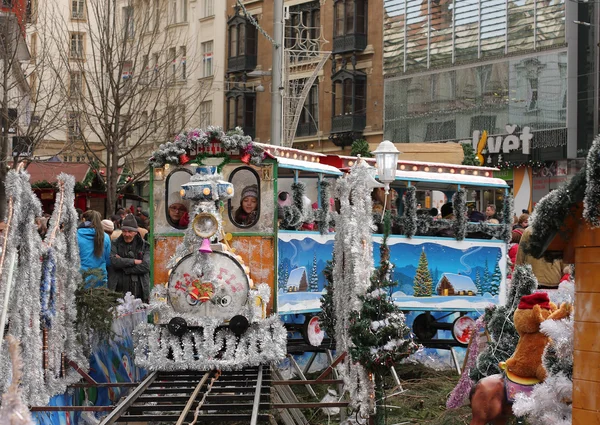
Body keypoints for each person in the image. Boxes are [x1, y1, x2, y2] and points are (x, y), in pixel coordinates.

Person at [109, 214, 150, 302]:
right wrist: (134, 261)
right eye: (124, 231)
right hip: (118, 290)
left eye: (130, 231)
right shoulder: (114, 243)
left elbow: (146, 266)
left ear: (135, 232)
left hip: (140, 290)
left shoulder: (145, 246)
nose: (126, 234)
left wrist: (124, 267)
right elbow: (114, 261)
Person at [77, 210, 111, 286]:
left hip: (80, 277)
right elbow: (108, 260)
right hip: (100, 277)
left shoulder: (75, 235)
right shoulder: (105, 237)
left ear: (84, 219)